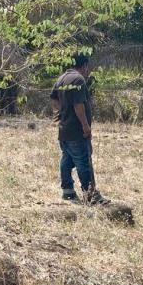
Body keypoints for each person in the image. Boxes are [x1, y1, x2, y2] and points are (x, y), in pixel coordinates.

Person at [50, 53, 109, 205]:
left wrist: (61, 113)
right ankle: (91, 195)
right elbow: (79, 105)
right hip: (77, 130)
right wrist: (85, 126)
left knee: (67, 159)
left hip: (64, 130)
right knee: (83, 161)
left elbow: (54, 99)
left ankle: (67, 190)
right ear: (84, 65)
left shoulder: (61, 78)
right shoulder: (78, 79)